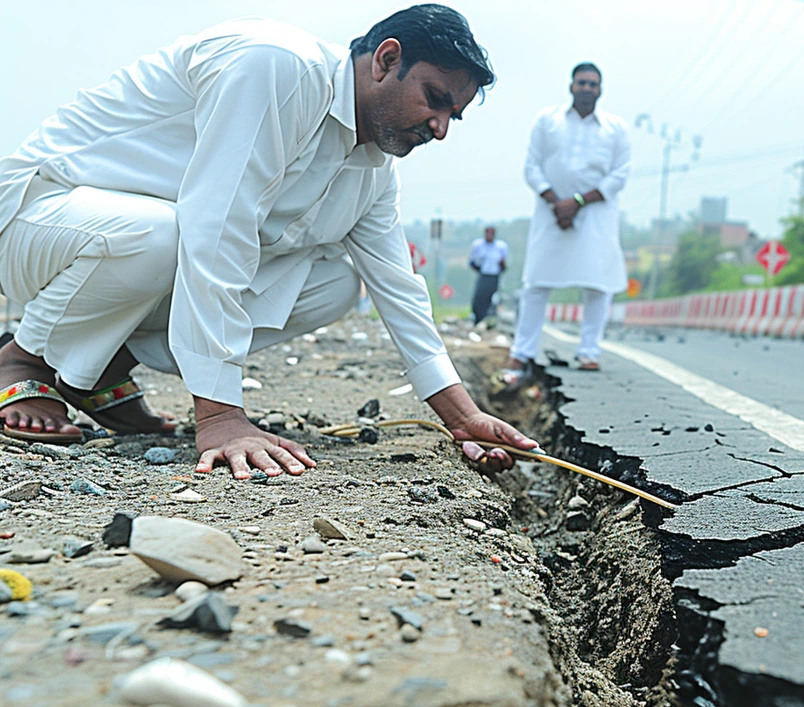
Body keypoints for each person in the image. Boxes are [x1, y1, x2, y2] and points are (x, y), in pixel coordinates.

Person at [0, 5, 537, 476]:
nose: (440, 128)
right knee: (165, 235)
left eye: (453, 116)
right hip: (42, 214)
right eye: (435, 100)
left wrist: (464, 418)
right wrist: (221, 417)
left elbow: (399, 290)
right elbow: (217, 227)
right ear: (386, 60)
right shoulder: (277, 67)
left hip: (128, 250)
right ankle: (24, 361)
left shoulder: (371, 170)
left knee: (335, 282)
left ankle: (99, 371)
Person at [510, 62, 630, 372]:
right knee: (536, 281)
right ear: (571, 86)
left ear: (600, 89)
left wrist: (577, 203)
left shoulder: (616, 128)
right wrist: (556, 203)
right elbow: (532, 166)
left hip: (597, 213)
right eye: (582, 83)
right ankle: (522, 352)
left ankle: (589, 351)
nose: (587, 88)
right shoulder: (547, 121)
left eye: (593, 84)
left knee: (597, 283)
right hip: (550, 211)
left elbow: (620, 175)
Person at [467, 226, 507, 324]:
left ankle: (488, 319)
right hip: (483, 275)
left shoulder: (500, 247)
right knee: (479, 297)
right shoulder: (478, 245)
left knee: (492, 298)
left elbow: (503, 264)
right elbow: (472, 261)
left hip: (494, 276)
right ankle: (477, 318)